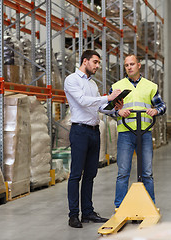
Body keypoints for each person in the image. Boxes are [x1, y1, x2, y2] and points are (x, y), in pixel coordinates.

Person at [64, 50, 122, 228]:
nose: (97, 66)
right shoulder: (72, 80)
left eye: (98, 63)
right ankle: (74, 215)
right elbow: (82, 101)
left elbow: (100, 106)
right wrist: (107, 97)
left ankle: (87, 212)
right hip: (80, 132)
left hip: (94, 131)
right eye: (95, 62)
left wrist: (114, 106)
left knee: (91, 174)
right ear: (85, 61)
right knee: (76, 175)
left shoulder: (93, 85)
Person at [108, 54, 166, 209]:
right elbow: (109, 109)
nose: (129, 67)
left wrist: (155, 111)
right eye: (126, 65)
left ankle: (150, 205)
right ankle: (119, 206)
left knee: (147, 172)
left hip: (145, 133)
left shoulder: (150, 86)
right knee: (123, 172)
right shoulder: (117, 87)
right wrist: (118, 113)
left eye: (132, 64)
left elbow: (162, 106)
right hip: (125, 134)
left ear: (139, 65)